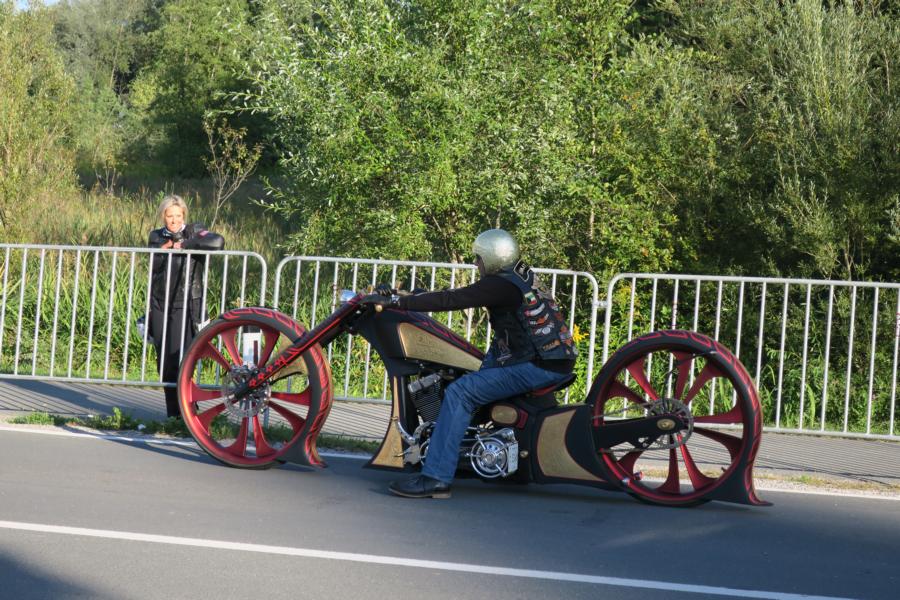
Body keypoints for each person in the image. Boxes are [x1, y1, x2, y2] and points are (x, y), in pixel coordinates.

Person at [365, 229, 577, 498]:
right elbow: (457, 294)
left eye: (479, 258)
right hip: (548, 359)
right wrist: (409, 296)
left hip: (538, 365)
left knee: (460, 392)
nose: (476, 264)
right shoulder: (518, 275)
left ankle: (435, 477)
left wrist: (397, 302)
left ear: (493, 257)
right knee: (471, 377)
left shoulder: (500, 285)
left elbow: (454, 299)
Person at [147, 195, 224, 418]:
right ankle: (173, 414)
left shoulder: (195, 230)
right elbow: (154, 264)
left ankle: (188, 409)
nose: (174, 220)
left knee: (181, 358)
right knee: (164, 361)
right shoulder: (156, 236)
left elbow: (217, 242)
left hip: (185, 302)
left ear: (184, 215)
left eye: (178, 215)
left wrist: (184, 245)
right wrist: (166, 247)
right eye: (169, 216)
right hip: (160, 302)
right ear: (163, 216)